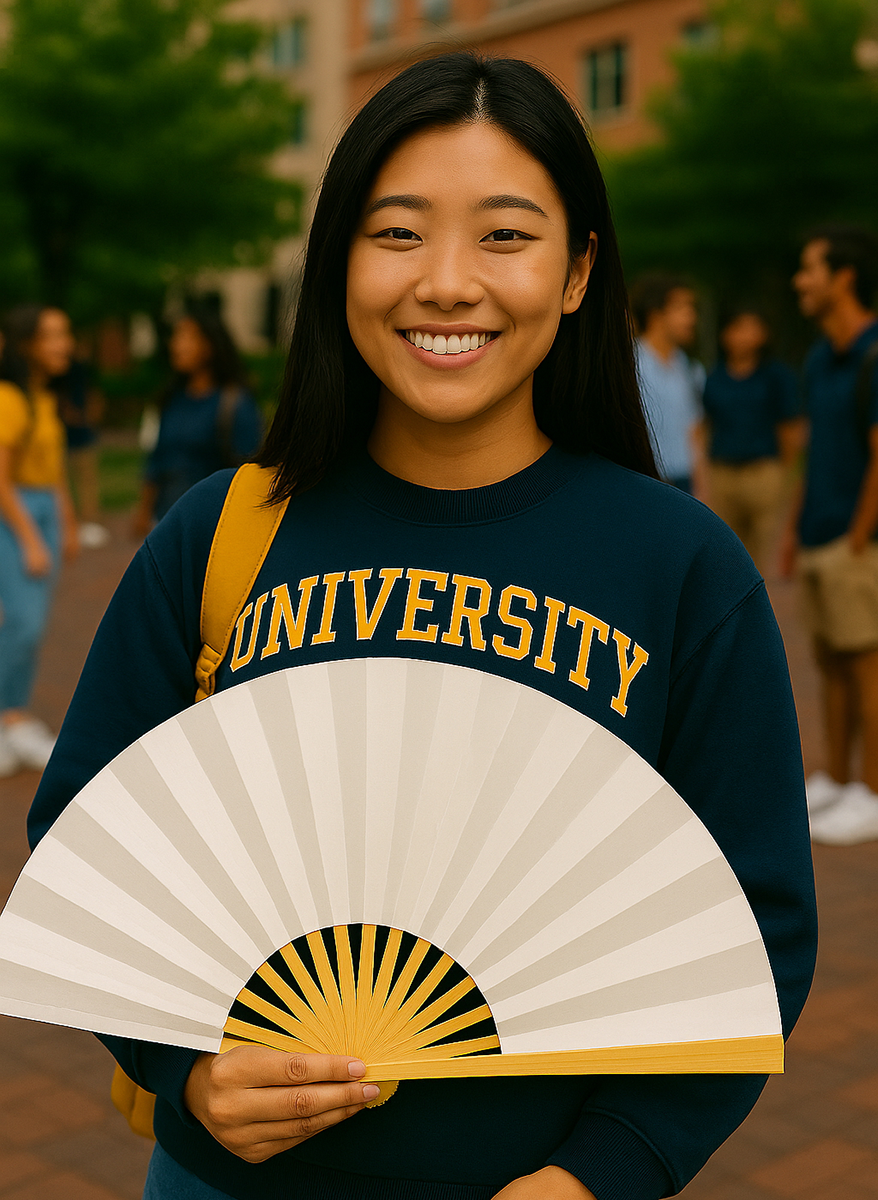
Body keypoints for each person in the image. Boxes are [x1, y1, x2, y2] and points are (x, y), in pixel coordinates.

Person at [30, 54, 816, 1200]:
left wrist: (603, 1172)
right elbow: (87, 844)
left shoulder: (678, 568)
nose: (446, 283)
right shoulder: (225, 535)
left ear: (577, 271)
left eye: (504, 236)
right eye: (396, 233)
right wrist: (182, 1074)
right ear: (337, 262)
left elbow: (751, 929)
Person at [784, 225, 878, 844]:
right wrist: (797, 527)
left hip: (856, 541)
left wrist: (856, 538)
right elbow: (816, 452)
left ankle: (872, 790)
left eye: (810, 269)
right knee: (830, 661)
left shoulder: (873, 352)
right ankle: (840, 781)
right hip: (821, 532)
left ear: (843, 277)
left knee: (866, 662)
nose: (800, 281)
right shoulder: (822, 356)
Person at [0, 305, 78, 776]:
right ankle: (9, 715)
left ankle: (15, 717)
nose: (64, 344)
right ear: (28, 344)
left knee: (34, 625)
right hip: (17, 514)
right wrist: (30, 538)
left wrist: (66, 523)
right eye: (53, 336)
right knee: (23, 625)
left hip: (44, 510)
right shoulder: (9, 399)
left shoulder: (42, 398)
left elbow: (54, 474)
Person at [131, 307, 263, 536]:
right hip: (166, 522)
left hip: (211, 527)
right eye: (176, 336)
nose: (176, 345)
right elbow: (156, 460)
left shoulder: (234, 404)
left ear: (210, 345)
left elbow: (250, 474)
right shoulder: (171, 398)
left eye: (188, 336)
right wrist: (143, 512)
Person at [702, 308, 802, 575]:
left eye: (751, 328)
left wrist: (787, 477)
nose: (744, 337)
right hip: (723, 474)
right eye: (737, 328)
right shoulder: (715, 377)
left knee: (761, 560)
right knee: (723, 555)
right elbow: (706, 425)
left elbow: (790, 429)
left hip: (763, 472)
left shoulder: (775, 376)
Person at [630, 275, 704, 493]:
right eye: (682, 309)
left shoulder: (691, 369)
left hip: (684, 483)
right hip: (642, 481)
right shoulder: (627, 367)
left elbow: (696, 432)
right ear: (656, 315)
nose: (691, 318)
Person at [55, 350, 111, 549]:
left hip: (83, 431)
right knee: (61, 479)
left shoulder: (82, 368)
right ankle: (69, 523)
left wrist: (90, 414)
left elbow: (94, 392)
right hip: (64, 432)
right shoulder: (57, 373)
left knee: (87, 478)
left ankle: (90, 522)